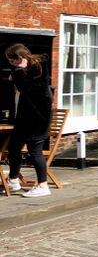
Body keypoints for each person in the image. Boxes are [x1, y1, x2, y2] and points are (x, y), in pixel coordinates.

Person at [4, 43, 53, 199]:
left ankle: (43, 185)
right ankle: (13, 180)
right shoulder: (25, 71)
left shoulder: (37, 71)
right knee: (13, 147)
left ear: (20, 57)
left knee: (34, 151)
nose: (11, 65)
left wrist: (18, 73)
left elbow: (28, 90)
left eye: (13, 61)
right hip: (24, 119)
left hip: (37, 120)